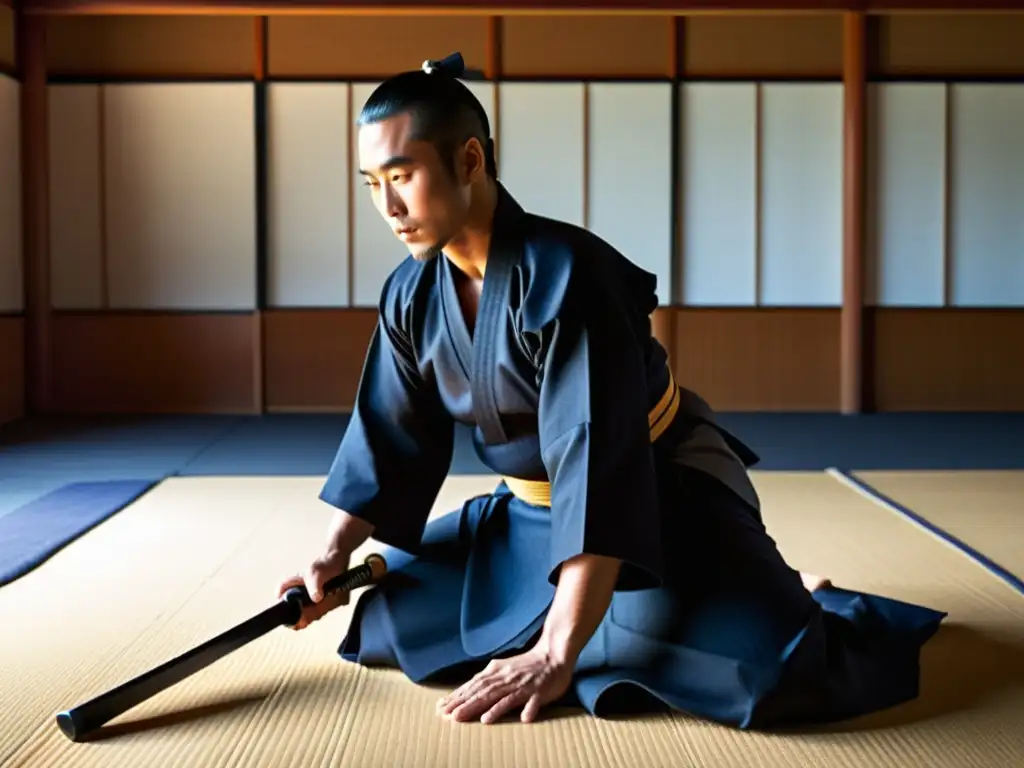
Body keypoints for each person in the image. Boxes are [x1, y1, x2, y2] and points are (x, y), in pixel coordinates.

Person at [277, 53, 946, 729]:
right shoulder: (411, 294)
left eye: (403, 176)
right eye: (371, 183)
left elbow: (599, 463)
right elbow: (388, 437)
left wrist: (556, 652)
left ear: (470, 160)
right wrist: (332, 555)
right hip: (532, 520)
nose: (387, 207)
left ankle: (794, 597)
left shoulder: (569, 275)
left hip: (658, 503)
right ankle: (610, 623)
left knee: (768, 672)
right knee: (389, 618)